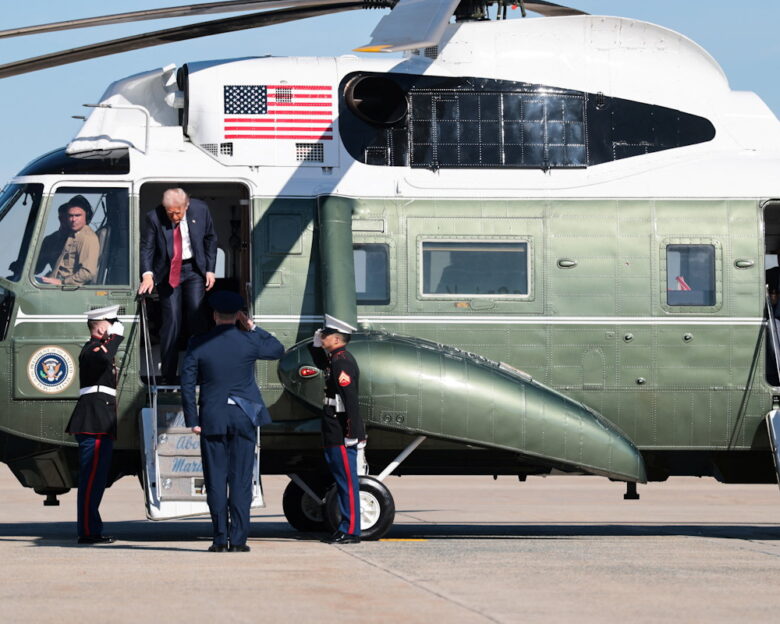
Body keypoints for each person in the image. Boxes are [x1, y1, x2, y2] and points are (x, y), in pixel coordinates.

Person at [181, 291, 284, 552]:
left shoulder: (198, 343)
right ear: (238, 315)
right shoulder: (249, 341)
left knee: (215, 480)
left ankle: (219, 539)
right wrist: (253, 327)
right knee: (241, 480)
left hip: (212, 416)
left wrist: (192, 419)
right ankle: (238, 540)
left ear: (215, 315)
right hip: (243, 415)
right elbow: (277, 349)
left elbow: (187, 384)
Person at [138, 187, 217, 385]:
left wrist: (210, 269)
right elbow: (147, 247)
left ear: (186, 206)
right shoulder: (153, 217)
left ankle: (200, 373)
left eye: (178, 213)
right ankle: (168, 375)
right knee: (171, 320)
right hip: (168, 271)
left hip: (194, 269)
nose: (174, 217)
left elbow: (210, 238)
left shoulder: (201, 209)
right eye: (170, 212)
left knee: (197, 317)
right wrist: (147, 275)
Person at [65, 304, 124, 545]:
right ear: (100, 328)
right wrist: (116, 338)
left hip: (100, 421)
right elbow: (103, 356)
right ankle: (88, 531)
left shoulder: (98, 348)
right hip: (94, 422)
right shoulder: (91, 349)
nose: (115, 328)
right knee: (91, 480)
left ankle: (92, 529)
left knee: (96, 480)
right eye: (111, 324)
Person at [308, 318, 366, 544]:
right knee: (341, 479)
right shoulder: (335, 358)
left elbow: (350, 399)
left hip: (341, 429)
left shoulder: (342, 361)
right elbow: (321, 363)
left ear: (336, 338)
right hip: (333, 426)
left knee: (346, 482)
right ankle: (346, 527)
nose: (322, 338)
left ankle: (351, 530)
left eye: (325, 335)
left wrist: (352, 432)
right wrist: (316, 344)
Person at [39, 195, 99, 286]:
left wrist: (62, 282)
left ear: (86, 215)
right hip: (55, 281)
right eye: (70, 216)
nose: (73, 219)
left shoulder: (87, 237)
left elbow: (88, 272)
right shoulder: (71, 235)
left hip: (65, 286)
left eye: (77, 215)